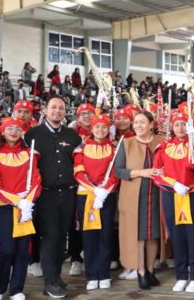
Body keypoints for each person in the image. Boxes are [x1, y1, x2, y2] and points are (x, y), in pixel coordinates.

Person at [24, 96, 83, 299]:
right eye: (53, 107)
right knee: (50, 236)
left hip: (68, 194)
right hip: (45, 195)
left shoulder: (73, 135)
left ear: (65, 112)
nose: (57, 111)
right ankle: (50, 281)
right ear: (45, 110)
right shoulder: (32, 135)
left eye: (61, 108)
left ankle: (56, 277)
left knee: (62, 237)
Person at [0, 118, 41, 300]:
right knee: (6, 249)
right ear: (2, 131)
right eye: (9, 128)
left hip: (26, 207)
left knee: (23, 249)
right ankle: (1, 286)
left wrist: (27, 202)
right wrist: (18, 201)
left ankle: (17, 288)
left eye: (18, 128)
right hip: (4, 207)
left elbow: (35, 181)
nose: (14, 131)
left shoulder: (30, 154)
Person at [152, 111, 194, 294]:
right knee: (177, 236)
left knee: (193, 237)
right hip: (171, 195)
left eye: (184, 124)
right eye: (177, 125)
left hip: (191, 195)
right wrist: (174, 184)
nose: (180, 128)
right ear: (172, 127)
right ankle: (181, 275)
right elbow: (156, 174)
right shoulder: (164, 146)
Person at [113, 111, 164, 290]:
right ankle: (141, 271)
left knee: (153, 234)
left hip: (157, 195)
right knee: (139, 235)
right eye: (136, 122)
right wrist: (141, 173)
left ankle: (150, 270)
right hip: (134, 197)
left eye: (143, 122)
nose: (138, 125)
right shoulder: (126, 143)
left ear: (151, 124)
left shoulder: (161, 142)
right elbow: (118, 171)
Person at [73, 114, 118, 291]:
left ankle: (104, 273)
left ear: (108, 129)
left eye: (104, 127)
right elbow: (78, 172)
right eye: (97, 127)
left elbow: (115, 173)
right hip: (86, 195)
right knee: (89, 235)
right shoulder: (81, 148)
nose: (100, 130)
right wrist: (94, 190)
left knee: (105, 234)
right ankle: (91, 274)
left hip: (107, 196)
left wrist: (104, 191)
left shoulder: (114, 148)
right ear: (91, 129)